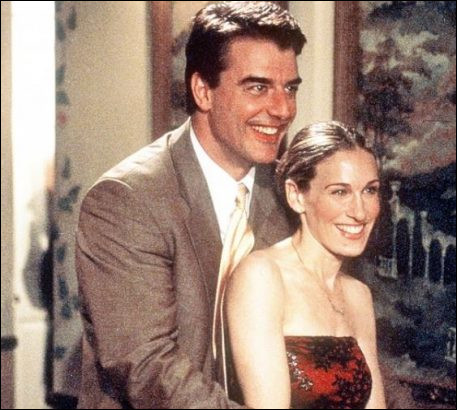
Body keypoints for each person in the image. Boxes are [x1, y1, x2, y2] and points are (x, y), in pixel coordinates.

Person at [75, 1, 306, 408]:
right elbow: (149, 368)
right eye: (258, 87)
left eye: (290, 88)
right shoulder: (125, 200)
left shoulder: (290, 194)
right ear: (203, 90)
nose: (282, 109)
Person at [226, 121, 387, 409]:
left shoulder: (358, 294)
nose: (360, 212)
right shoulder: (262, 276)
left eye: (370, 190)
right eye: (340, 192)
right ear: (296, 195)